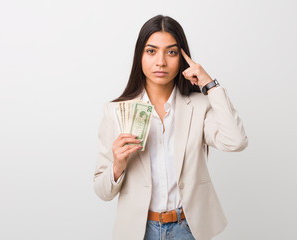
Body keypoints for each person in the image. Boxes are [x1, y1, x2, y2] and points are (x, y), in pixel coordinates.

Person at [93, 15, 248, 240]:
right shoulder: (115, 111)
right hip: (139, 231)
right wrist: (117, 165)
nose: (161, 62)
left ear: (183, 58)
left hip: (188, 229)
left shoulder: (200, 106)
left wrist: (210, 85)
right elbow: (102, 191)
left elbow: (236, 141)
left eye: (172, 52)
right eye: (151, 51)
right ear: (140, 56)